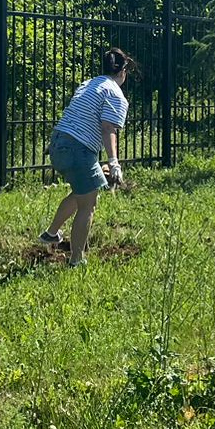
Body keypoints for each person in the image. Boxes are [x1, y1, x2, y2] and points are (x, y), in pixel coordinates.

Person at [38, 48, 132, 267]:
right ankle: (76, 259)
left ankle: (51, 234)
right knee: (88, 204)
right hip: (78, 150)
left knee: (83, 192)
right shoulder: (116, 95)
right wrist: (114, 162)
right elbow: (108, 128)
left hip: (58, 143)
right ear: (123, 71)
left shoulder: (88, 84)